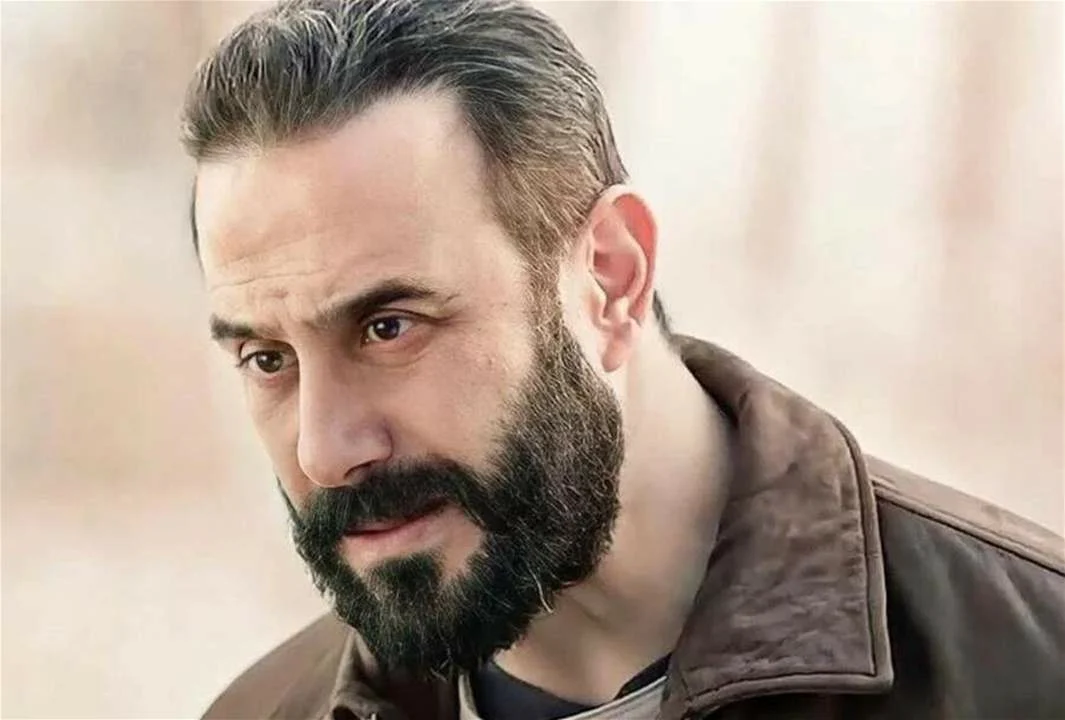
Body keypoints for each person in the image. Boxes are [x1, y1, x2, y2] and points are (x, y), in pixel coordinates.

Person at [183, 1, 1065, 718]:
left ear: (609, 276)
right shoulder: (263, 713)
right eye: (267, 358)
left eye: (388, 328)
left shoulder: (1029, 669)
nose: (323, 451)